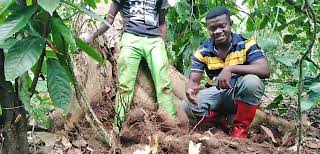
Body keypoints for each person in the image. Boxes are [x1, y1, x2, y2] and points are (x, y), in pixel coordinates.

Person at [181, 7, 270, 138]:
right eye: (212, 28)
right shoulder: (202, 51)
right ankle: (219, 118)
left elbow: (264, 70)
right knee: (185, 107)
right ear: (208, 29)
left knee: (253, 82)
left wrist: (230, 68)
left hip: (239, 95)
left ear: (230, 24)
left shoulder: (246, 44)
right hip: (216, 93)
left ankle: (240, 129)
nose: (217, 31)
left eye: (222, 26)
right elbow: (194, 81)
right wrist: (189, 89)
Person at [86, 0, 176, 128]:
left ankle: (171, 126)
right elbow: (109, 20)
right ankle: (118, 127)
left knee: (164, 84)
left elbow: (162, 23)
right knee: (125, 86)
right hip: (131, 38)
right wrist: (93, 36)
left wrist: (162, 46)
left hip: (155, 41)